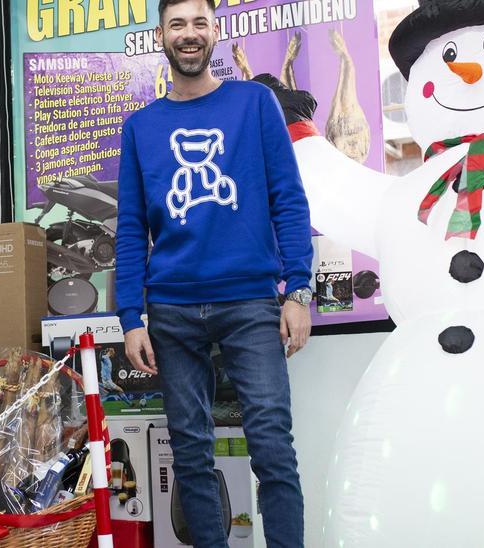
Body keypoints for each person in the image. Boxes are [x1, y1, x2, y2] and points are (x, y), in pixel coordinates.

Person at [114, 1, 313, 546]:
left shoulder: (256, 103)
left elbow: (289, 202)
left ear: (215, 31)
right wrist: (131, 316)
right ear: (162, 35)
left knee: (272, 445)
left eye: (199, 23)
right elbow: (131, 229)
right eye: (177, 24)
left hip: (250, 303)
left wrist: (297, 290)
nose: (189, 34)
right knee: (191, 453)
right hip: (172, 311)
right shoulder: (142, 127)